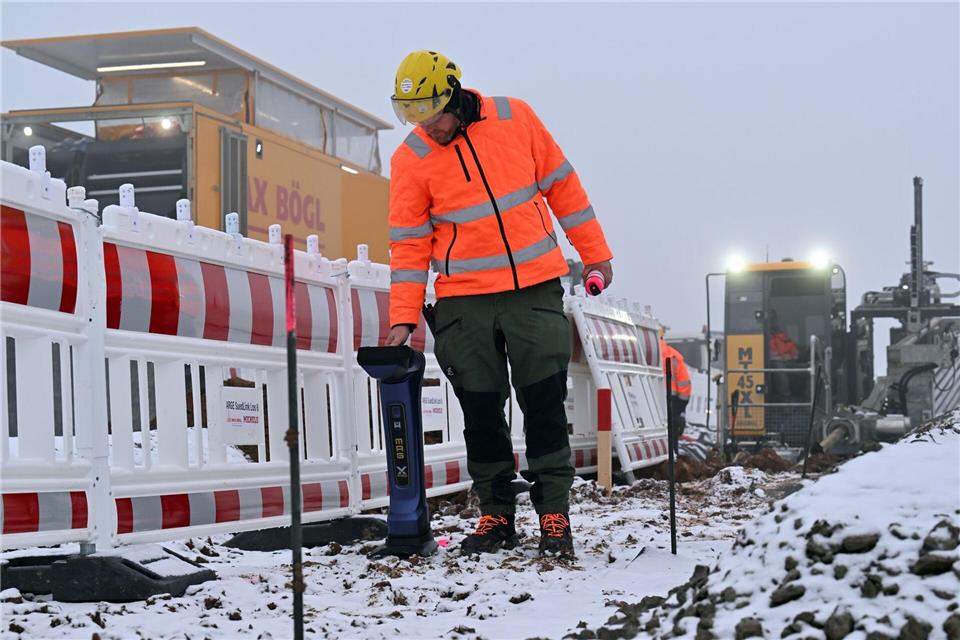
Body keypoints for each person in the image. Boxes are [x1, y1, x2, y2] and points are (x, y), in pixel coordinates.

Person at [384, 50, 613, 559]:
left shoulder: (516, 118)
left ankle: (554, 514)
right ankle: (496, 516)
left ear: (455, 94)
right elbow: (408, 245)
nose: (428, 128)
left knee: (544, 407)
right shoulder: (411, 159)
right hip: (463, 305)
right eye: (412, 116)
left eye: (433, 114)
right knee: (482, 414)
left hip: (533, 291)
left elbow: (564, 189)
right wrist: (402, 315)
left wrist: (595, 255)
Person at [660, 328, 692, 455]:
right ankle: (672, 460)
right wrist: (680, 408)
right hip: (671, 402)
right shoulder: (673, 356)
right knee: (671, 434)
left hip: (646, 402)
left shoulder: (641, 353)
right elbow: (685, 385)